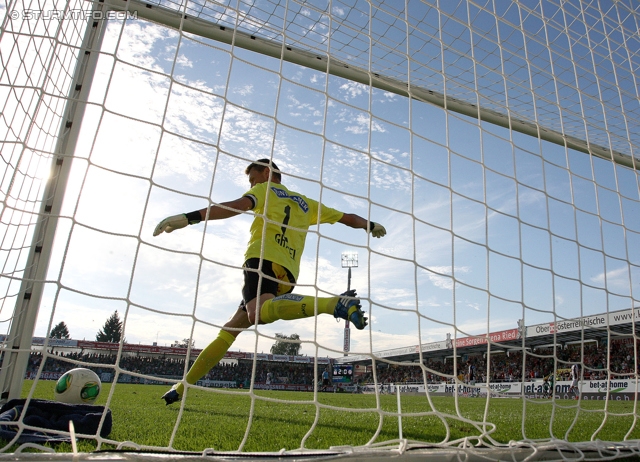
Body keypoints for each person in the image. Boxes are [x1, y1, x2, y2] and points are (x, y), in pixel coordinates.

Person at [154, 159, 387, 405]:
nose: (252, 184)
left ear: (267, 173)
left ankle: (334, 304)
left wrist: (191, 217)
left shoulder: (264, 189)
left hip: (261, 259)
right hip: (288, 273)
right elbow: (347, 218)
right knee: (232, 327)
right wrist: (370, 225)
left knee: (257, 314)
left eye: (253, 180)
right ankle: (182, 387)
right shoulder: (307, 203)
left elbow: (237, 206)